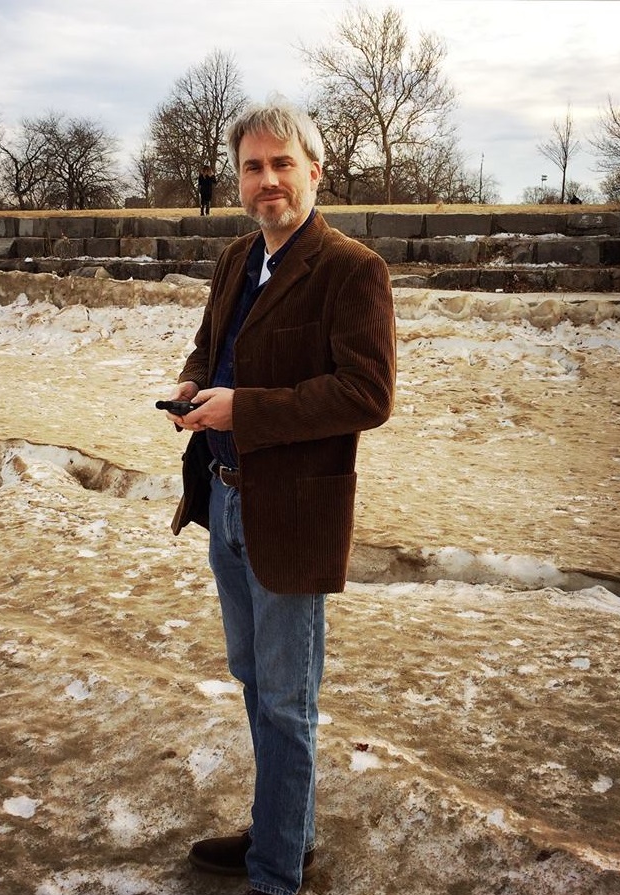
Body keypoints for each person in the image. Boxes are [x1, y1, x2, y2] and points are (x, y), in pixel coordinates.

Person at [162, 99, 396, 895]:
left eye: (282, 164)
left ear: (314, 172)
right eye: (253, 167)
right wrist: (194, 384)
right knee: (256, 682)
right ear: (236, 180)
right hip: (224, 499)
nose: (268, 180)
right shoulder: (236, 256)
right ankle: (280, 833)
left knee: (288, 701)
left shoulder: (350, 269)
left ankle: (274, 876)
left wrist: (245, 410)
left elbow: (366, 394)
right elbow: (210, 345)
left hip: (293, 513)